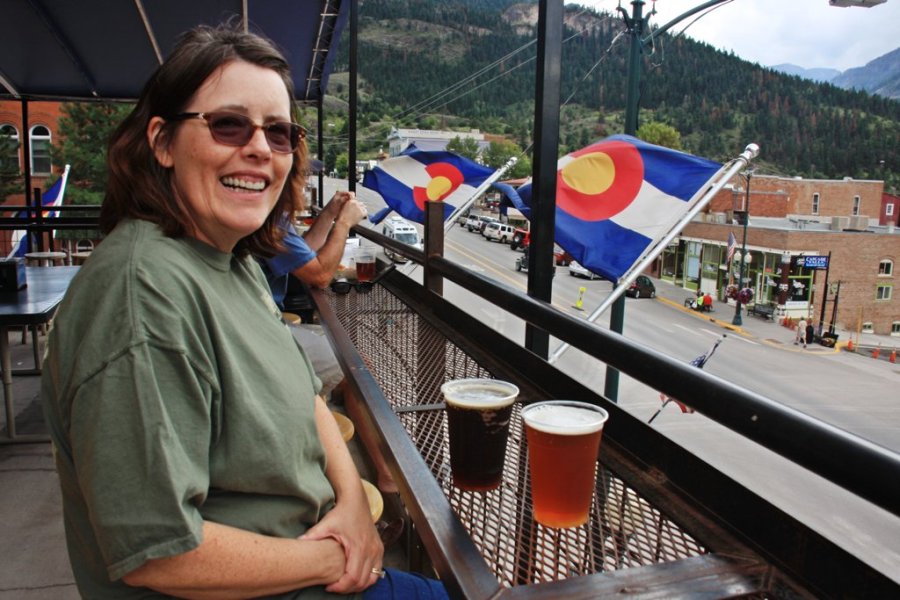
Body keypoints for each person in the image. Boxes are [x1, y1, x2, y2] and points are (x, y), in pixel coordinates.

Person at [40, 24, 446, 600]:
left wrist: (355, 504)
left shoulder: (232, 261)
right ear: (161, 142)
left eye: (278, 133)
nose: (259, 147)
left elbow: (308, 397)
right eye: (229, 124)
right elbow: (160, 555)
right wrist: (335, 558)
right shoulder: (141, 297)